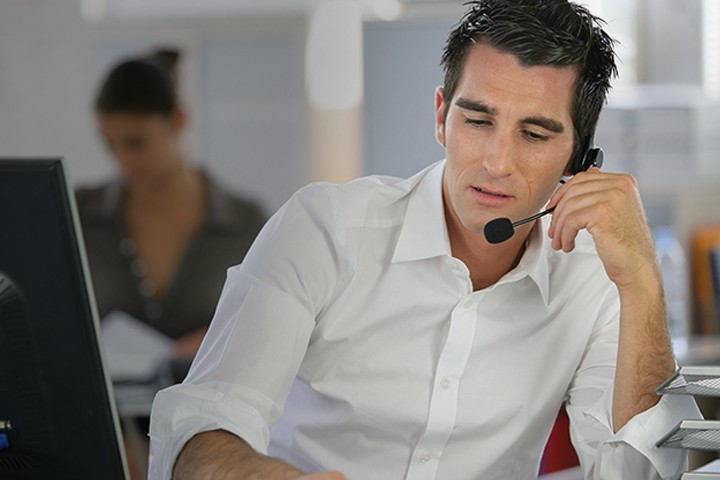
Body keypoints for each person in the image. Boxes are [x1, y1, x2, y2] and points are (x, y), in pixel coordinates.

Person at [149, 2, 701, 479]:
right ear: (441, 117)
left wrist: (643, 284)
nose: (496, 162)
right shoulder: (324, 231)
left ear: (581, 160)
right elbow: (196, 434)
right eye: (478, 121)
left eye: (534, 134)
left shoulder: (593, 275)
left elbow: (639, 474)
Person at [77, 49, 266, 358]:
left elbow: (275, 327)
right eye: (109, 143)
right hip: (98, 404)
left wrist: (225, 338)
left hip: (210, 402)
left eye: (136, 143)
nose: (122, 160)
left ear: (178, 121)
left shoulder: (245, 223)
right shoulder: (79, 214)